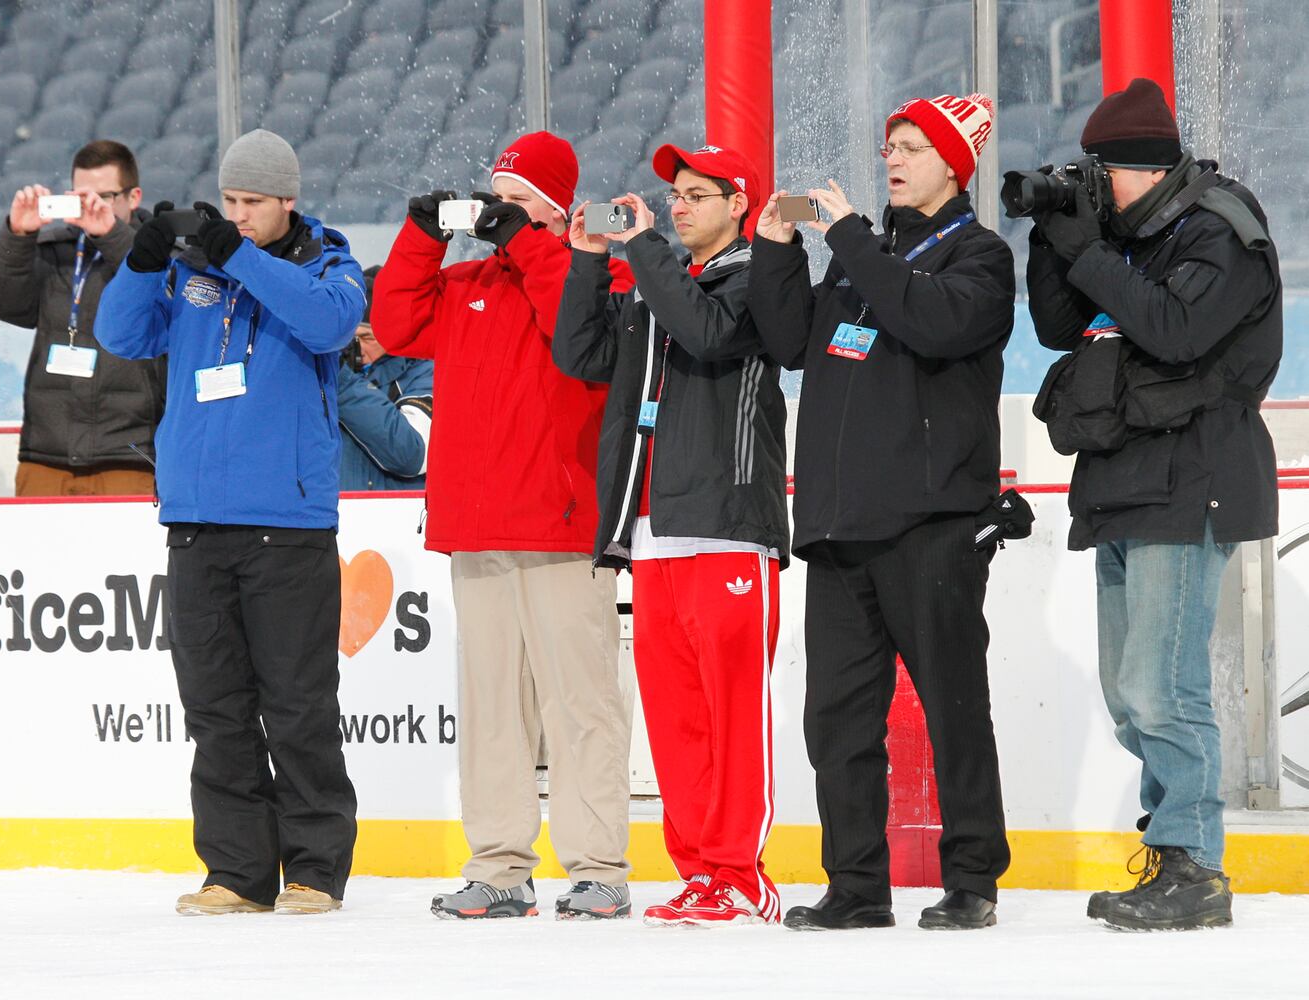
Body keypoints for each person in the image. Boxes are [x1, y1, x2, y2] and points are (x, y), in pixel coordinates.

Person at [749, 92, 1015, 931]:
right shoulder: (860, 261)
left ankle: (972, 878)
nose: (891, 158)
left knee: (952, 708)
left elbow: (928, 323)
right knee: (836, 722)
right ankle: (855, 885)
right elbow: (792, 343)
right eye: (888, 145)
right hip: (836, 529)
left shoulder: (978, 256)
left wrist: (852, 241)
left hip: (931, 525)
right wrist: (776, 252)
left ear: (950, 164)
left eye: (908, 146)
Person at [1024, 78, 1281, 931]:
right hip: (1121, 483)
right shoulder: (1126, 238)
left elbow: (1174, 331)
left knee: (1163, 686)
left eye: (1104, 175)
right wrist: (1051, 236)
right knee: (1128, 693)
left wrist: (1091, 249)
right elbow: (1062, 330)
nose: (1096, 190)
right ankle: (1171, 850)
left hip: (1191, 477)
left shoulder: (1219, 230)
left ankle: (1194, 867)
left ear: (1144, 167)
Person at [93, 129, 363, 917]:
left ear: (288, 201)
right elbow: (119, 336)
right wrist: (146, 259)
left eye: (253, 204)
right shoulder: (191, 274)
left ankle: (314, 867)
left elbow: (325, 326)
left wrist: (238, 258)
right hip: (196, 522)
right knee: (215, 709)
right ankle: (236, 870)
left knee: (297, 704)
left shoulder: (329, 268)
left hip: (287, 523)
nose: (238, 217)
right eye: (231, 203)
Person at [373, 132, 636, 921]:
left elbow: (577, 331)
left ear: (555, 213)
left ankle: (598, 867)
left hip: (560, 524)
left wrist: (528, 246)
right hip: (476, 524)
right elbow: (392, 326)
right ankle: (498, 865)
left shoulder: (594, 271)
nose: (498, 215)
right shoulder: (464, 282)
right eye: (493, 199)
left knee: (580, 704)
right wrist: (418, 238)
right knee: (492, 708)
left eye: (519, 203)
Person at [555, 142, 789, 926]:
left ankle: (740, 873)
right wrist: (591, 264)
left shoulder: (757, 275)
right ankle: (698, 871)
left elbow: (710, 336)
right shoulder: (660, 284)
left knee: (732, 718)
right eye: (674, 194)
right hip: (651, 532)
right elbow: (579, 355)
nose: (679, 205)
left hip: (726, 527)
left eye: (696, 194)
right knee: (679, 723)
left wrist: (643, 248)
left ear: (738, 205)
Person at [0, 139, 165, 497]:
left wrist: (110, 235)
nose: (93, 206)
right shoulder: (54, 251)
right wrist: (19, 235)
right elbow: (4, 304)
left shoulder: (158, 251)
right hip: (47, 456)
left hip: (128, 457)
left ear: (134, 196)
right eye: (83, 197)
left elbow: (162, 296)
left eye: (105, 196)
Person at [337, 265, 434, 491]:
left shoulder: (423, 372)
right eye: (347, 338)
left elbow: (412, 454)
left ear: (392, 335)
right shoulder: (323, 372)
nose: (355, 348)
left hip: (395, 519)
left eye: (366, 337)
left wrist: (342, 380)